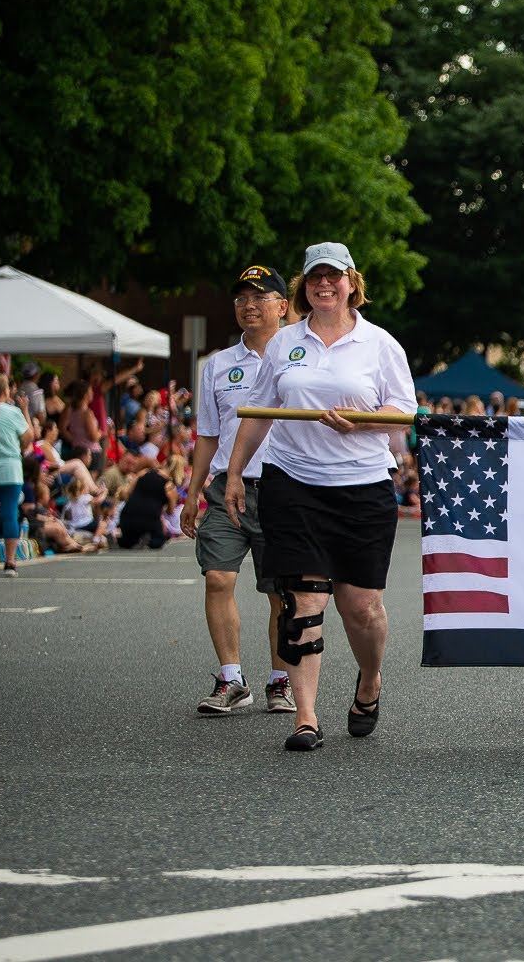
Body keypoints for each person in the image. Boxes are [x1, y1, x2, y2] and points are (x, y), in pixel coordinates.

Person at [225, 242, 417, 752]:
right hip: (294, 484)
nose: (324, 285)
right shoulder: (286, 341)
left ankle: (369, 679)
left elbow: (404, 414)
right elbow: (260, 411)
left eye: (334, 277)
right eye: (315, 278)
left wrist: (363, 423)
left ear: (353, 282)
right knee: (303, 602)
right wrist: (234, 473)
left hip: (361, 486)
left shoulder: (380, 345)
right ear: (303, 287)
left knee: (361, 607)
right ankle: (305, 718)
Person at [182, 265, 294, 716]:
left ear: (283, 307)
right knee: (218, 577)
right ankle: (231, 679)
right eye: (241, 298)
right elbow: (207, 433)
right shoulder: (218, 364)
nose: (249, 305)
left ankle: (280, 681)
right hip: (227, 487)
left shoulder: (299, 358)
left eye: (260, 296)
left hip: (284, 488)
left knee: (282, 592)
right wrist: (191, 493)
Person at [0, 376, 32, 576]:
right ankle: (10, 562)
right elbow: (28, 437)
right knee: (9, 515)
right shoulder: (13, 412)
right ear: (6, 391)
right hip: (10, 470)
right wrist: (25, 410)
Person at [118, 463, 177, 549]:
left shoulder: (141, 475)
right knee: (158, 541)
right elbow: (170, 511)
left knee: (128, 542)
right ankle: (151, 540)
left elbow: (127, 493)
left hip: (128, 514)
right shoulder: (169, 485)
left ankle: (127, 539)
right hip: (150, 517)